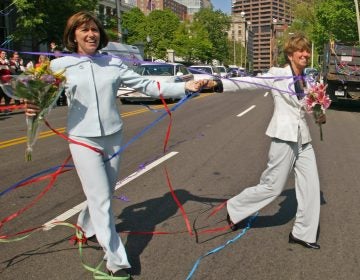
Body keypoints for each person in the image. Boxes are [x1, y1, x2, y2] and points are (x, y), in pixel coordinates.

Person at [25, 11, 217, 279]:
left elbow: (146, 85)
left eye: (94, 29)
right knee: (102, 198)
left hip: (113, 135)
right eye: (84, 30)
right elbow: (47, 96)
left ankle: (83, 227)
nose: (90, 34)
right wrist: (34, 107)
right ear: (74, 36)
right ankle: (117, 261)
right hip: (82, 138)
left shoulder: (112, 63)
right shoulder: (61, 66)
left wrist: (185, 87)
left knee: (103, 191)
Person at [222, 33, 325, 250]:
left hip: (303, 138)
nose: (305, 54)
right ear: (290, 54)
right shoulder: (278, 74)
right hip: (284, 136)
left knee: (311, 186)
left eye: (307, 50)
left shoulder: (306, 79)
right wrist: (216, 83)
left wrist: (318, 114)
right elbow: (249, 82)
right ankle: (234, 208)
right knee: (272, 187)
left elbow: (306, 106)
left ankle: (303, 233)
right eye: (301, 50)